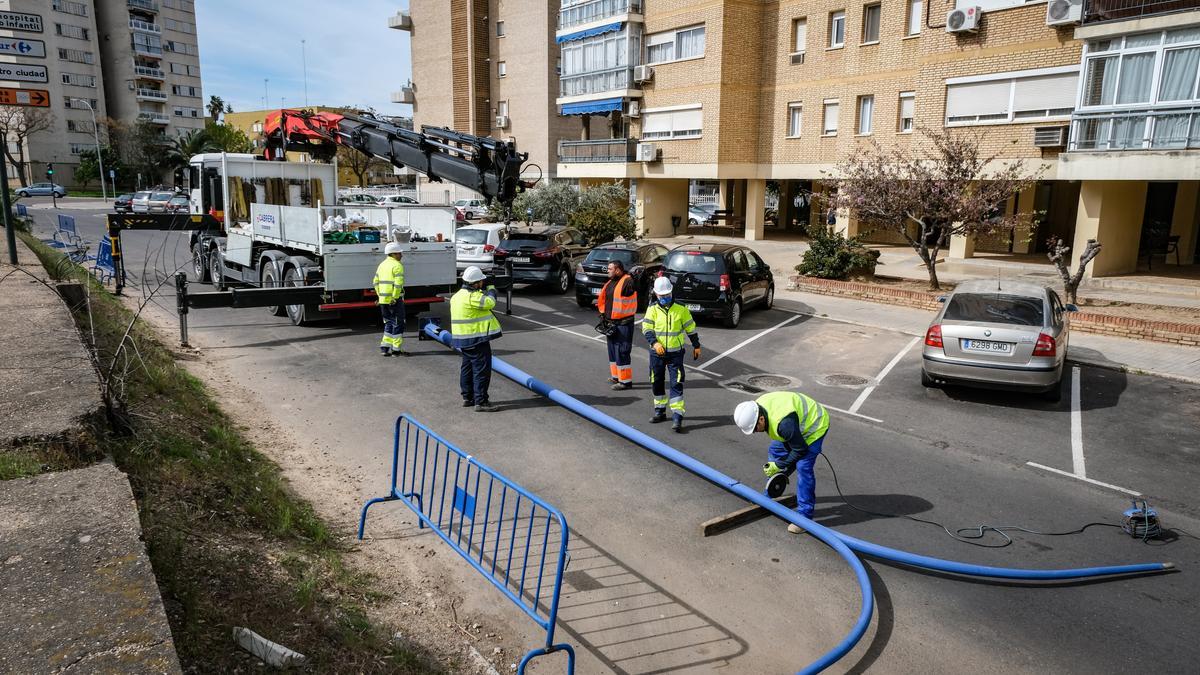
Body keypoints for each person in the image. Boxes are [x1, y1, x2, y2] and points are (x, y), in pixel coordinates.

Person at [733, 392, 830, 534]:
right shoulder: (758, 408)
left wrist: (780, 465)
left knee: (803, 467)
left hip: (814, 426)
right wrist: (781, 468)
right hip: (794, 425)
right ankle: (772, 490)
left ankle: (805, 518)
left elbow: (800, 449)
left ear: (761, 419)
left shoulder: (783, 425)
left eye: (754, 429)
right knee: (775, 449)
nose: (754, 432)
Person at [642, 276, 701, 432]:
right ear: (656, 294)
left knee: (676, 383)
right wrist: (654, 343)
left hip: (675, 354)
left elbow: (691, 328)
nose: (665, 298)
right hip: (657, 353)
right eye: (662, 296)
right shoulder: (652, 309)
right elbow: (646, 328)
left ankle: (677, 416)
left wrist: (696, 345)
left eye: (667, 295)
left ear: (671, 292)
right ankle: (660, 411)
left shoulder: (681, 309)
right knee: (657, 381)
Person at [451, 266, 502, 412]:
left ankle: (467, 398)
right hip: (476, 340)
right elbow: (490, 302)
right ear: (475, 283)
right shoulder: (473, 297)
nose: (482, 283)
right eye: (481, 281)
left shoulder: (457, 296)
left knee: (467, 368)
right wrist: (491, 287)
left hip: (463, 340)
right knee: (481, 371)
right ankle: (481, 401)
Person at [597, 259, 638, 390]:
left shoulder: (627, 281)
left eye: (610, 269)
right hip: (611, 323)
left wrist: (636, 278)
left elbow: (635, 287)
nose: (607, 271)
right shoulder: (611, 282)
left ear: (618, 270)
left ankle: (625, 381)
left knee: (622, 351)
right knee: (613, 352)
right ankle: (616, 377)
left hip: (623, 325)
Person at [373, 242, 408, 357]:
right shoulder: (397, 266)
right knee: (398, 323)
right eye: (399, 253)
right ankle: (396, 350)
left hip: (383, 301)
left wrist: (380, 296)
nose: (401, 255)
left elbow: (375, 282)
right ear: (393, 254)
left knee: (388, 323)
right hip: (394, 300)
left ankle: (384, 348)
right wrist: (395, 297)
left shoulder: (382, 265)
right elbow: (398, 284)